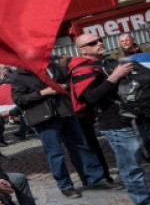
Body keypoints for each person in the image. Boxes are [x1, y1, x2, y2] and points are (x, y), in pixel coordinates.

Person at [70, 33, 150, 205]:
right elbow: (89, 97)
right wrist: (114, 77)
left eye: (99, 40)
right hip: (115, 123)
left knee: (143, 161)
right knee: (131, 166)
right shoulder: (81, 70)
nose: (98, 43)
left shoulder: (109, 62)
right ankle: (143, 203)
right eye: (92, 43)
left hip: (136, 117)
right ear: (82, 50)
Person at [10, 64, 118, 197]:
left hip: (66, 111)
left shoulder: (53, 66)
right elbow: (19, 99)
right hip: (45, 118)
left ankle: (95, 179)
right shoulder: (19, 75)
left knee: (82, 146)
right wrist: (43, 92)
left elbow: (67, 82)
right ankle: (65, 185)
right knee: (55, 153)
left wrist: (65, 86)